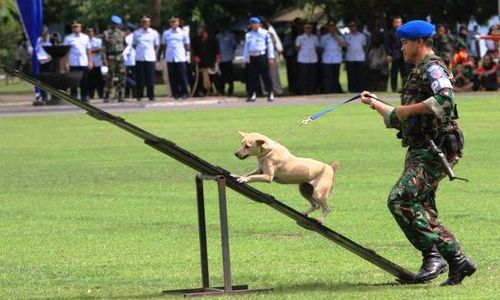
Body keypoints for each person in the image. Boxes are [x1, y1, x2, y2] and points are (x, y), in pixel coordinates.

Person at [360, 20, 476, 286]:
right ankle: (450, 263)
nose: (401, 48)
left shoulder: (433, 67)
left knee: (400, 199)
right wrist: (375, 103)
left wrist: (405, 111)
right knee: (422, 206)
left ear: (419, 43)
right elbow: (400, 118)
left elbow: (445, 99)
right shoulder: (416, 71)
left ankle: (445, 257)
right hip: (421, 147)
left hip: (436, 148)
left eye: (404, 42)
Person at [243, 17, 275, 102]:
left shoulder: (265, 33)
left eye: (255, 23)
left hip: (262, 56)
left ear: (259, 24)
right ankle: (252, 94)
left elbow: (270, 45)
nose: (254, 25)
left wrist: (271, 57)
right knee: (252, 77)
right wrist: (245, 59)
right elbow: (246, 48)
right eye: (252, 23)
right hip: (252, 57)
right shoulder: (248, 35)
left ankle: (270, 93)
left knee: (266, 76)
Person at [161, 16, 190, 99]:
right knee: (172, 77)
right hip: (170, 56)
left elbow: (187, 45)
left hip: (180, 56)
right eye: (172, 22)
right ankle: (175, 93)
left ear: (178, 23)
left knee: (182, 76)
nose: (173, 23)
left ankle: (185, 92)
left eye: (175, 22)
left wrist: (186, 54)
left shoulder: (183, 33)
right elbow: (164, 45)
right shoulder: (166, 33)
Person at [63, 21, 92, 102]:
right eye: (74, 27)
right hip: (73, 61)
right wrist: (66, 62)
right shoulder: (68, 38)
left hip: (83, 61)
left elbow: (88, 50)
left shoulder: (85, 37)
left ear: (80, 28)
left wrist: (90, 61)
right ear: (72, 28)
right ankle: (74, 96)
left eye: (78, 27)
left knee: (84, 80)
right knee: (73, 80)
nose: (76, 28)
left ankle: (85, 96)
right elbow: (66, 51)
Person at [133, 15, 159, 101]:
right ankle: (139, 95)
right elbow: (134, 45)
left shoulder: (154, 33)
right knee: (140, 78)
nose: (145, 23)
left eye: (146, 22)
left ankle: (151, 95)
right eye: (143, 22)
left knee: (150, 77)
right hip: (140, 57)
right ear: (141, 23)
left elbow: (156, 45)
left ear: (149, 23)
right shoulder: (137, 33)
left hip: (150, 57)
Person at [103, 15, 126, 102]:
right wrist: (104, 59)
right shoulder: (106, 33)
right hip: (111, 57)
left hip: (120, 56)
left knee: (121, 76)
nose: (116, 26)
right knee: (109, 77)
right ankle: (107, 95)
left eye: (117, 24)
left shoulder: (122, 33)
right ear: (111, 24)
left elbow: (124, 45)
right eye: (114, 24)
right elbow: (103, 48)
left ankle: (120, 95)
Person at [192, 26, 220, 96]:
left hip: (212, 61)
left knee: (215, 77)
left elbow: (217, 49)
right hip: (202, 62)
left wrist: (218, 58)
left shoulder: (212, 38)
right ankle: (207, 91)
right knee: (204, 77)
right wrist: (195, 57)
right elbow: (194, 50)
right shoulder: (196, 39)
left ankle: (218, 90)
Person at [385, 16, 409, 92]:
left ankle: (405, 88)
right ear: (393, 24)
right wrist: (388, 54)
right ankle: (394, 88)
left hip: (404, 55)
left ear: (401, 23)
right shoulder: (390, 33)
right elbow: (387, 44)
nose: (397, 24)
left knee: (405, 72)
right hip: (394, 55)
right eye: (396, 22)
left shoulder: (405, 33)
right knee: (394, 73)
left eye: (399, 22)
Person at [320, 22, 345, 93]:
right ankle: (328, 90)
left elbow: (343, 45)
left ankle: (335, 90)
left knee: (336, 76)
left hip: (336, 59)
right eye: (330, 27)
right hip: (327, 59)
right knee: (328, 76)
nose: (332, 28)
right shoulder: (324, 37)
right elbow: (321, 48)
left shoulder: (339, 37)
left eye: (333, 27)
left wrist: (336, 37)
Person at [295, 22, 319, 95]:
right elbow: (297, 48)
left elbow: (317, 47)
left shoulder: (314, 37)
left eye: (309, 28)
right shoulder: (300, 37)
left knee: (312, 76)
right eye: (307, 28)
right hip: (303, 59)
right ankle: (303, 91)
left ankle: (311, 90)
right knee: (303, 76)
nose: (308, 29)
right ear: (304, 29)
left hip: (313, 58)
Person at [344, 21, 366, 93]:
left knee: (360, 75)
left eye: (354, 26)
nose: (352, 27)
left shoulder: (361, 36)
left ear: (356, 27)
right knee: (351, 75)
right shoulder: (346, 36)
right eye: (351, 26)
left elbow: (364, 46)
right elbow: (345, 46)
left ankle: (361, 89)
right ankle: (352, 89)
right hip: (350, 57)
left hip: (360, 57)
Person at [216, 24, 236, 96]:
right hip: (221, 59)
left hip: (229, 58)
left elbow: (234, 45)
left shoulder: (230, 36)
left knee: (230, 75)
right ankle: (222, 90)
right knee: (221, 76)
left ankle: (231, 89)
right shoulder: (218, 37)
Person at [35, 27, 52, 104]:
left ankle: (51, 96)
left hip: (48, 61)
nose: (44, 36)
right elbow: (35, 50)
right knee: (41, 80)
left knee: (49, 80)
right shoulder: (38, 40)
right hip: (40, 61)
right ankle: (43, 96)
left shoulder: (50, 40)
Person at [87, 28, 105, 100]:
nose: (90, 33)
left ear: (93, 33)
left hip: (97, 62)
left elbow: (101, 49)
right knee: (90, 80)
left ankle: (101, 94)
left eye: (91, 32)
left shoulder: (98, 41)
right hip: (89, 63)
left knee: (99, 79)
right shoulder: (85, 40)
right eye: (88, 32)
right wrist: (92, 51)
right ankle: (91, 95)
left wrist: (90, 51)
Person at [122, 23, 137, 99]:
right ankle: (134, 93)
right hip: (135, 60)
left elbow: (126, 49)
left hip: (128, 60)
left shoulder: (128, 37)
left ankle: (127, 93)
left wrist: (123, 55)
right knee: (133, 77)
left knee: (126, 77)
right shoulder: (136, 36)